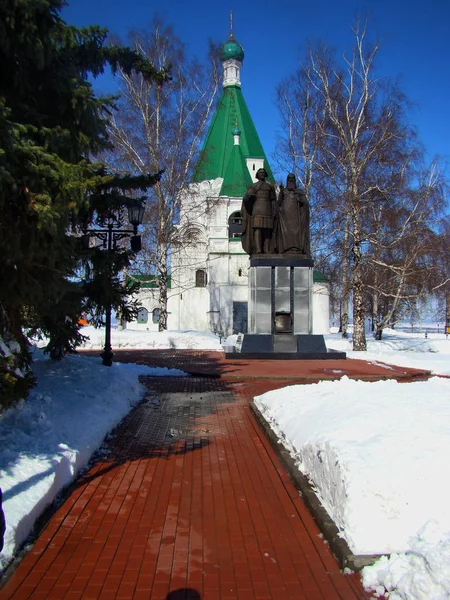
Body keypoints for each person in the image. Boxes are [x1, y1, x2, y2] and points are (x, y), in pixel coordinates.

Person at [241, 168, 277, 255]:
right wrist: (249, 197)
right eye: (260, 172)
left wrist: (274, 210)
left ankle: (267, 249)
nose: (262, 174)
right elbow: (246, 198)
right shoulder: (253, 186)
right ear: (257, 175)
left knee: (267, 230)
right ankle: (258, 249)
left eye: (263, 172)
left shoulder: (270, 187)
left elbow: (273, 200)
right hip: (257, 209)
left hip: (267, 209)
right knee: (258, 229)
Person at [277, 173, 310, 256]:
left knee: (296, 231)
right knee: (285, 232)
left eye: (292, 179)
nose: (291, 180)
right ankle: (286, 248)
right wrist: (280, 192)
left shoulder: (299, 192)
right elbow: (278, 203)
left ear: (295, 180)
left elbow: (305, 203)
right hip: (285, 217)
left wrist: (301, 199)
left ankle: (296, 248)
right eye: (289, 179)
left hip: (296, 216)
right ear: (287, 180)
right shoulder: (283, 191)